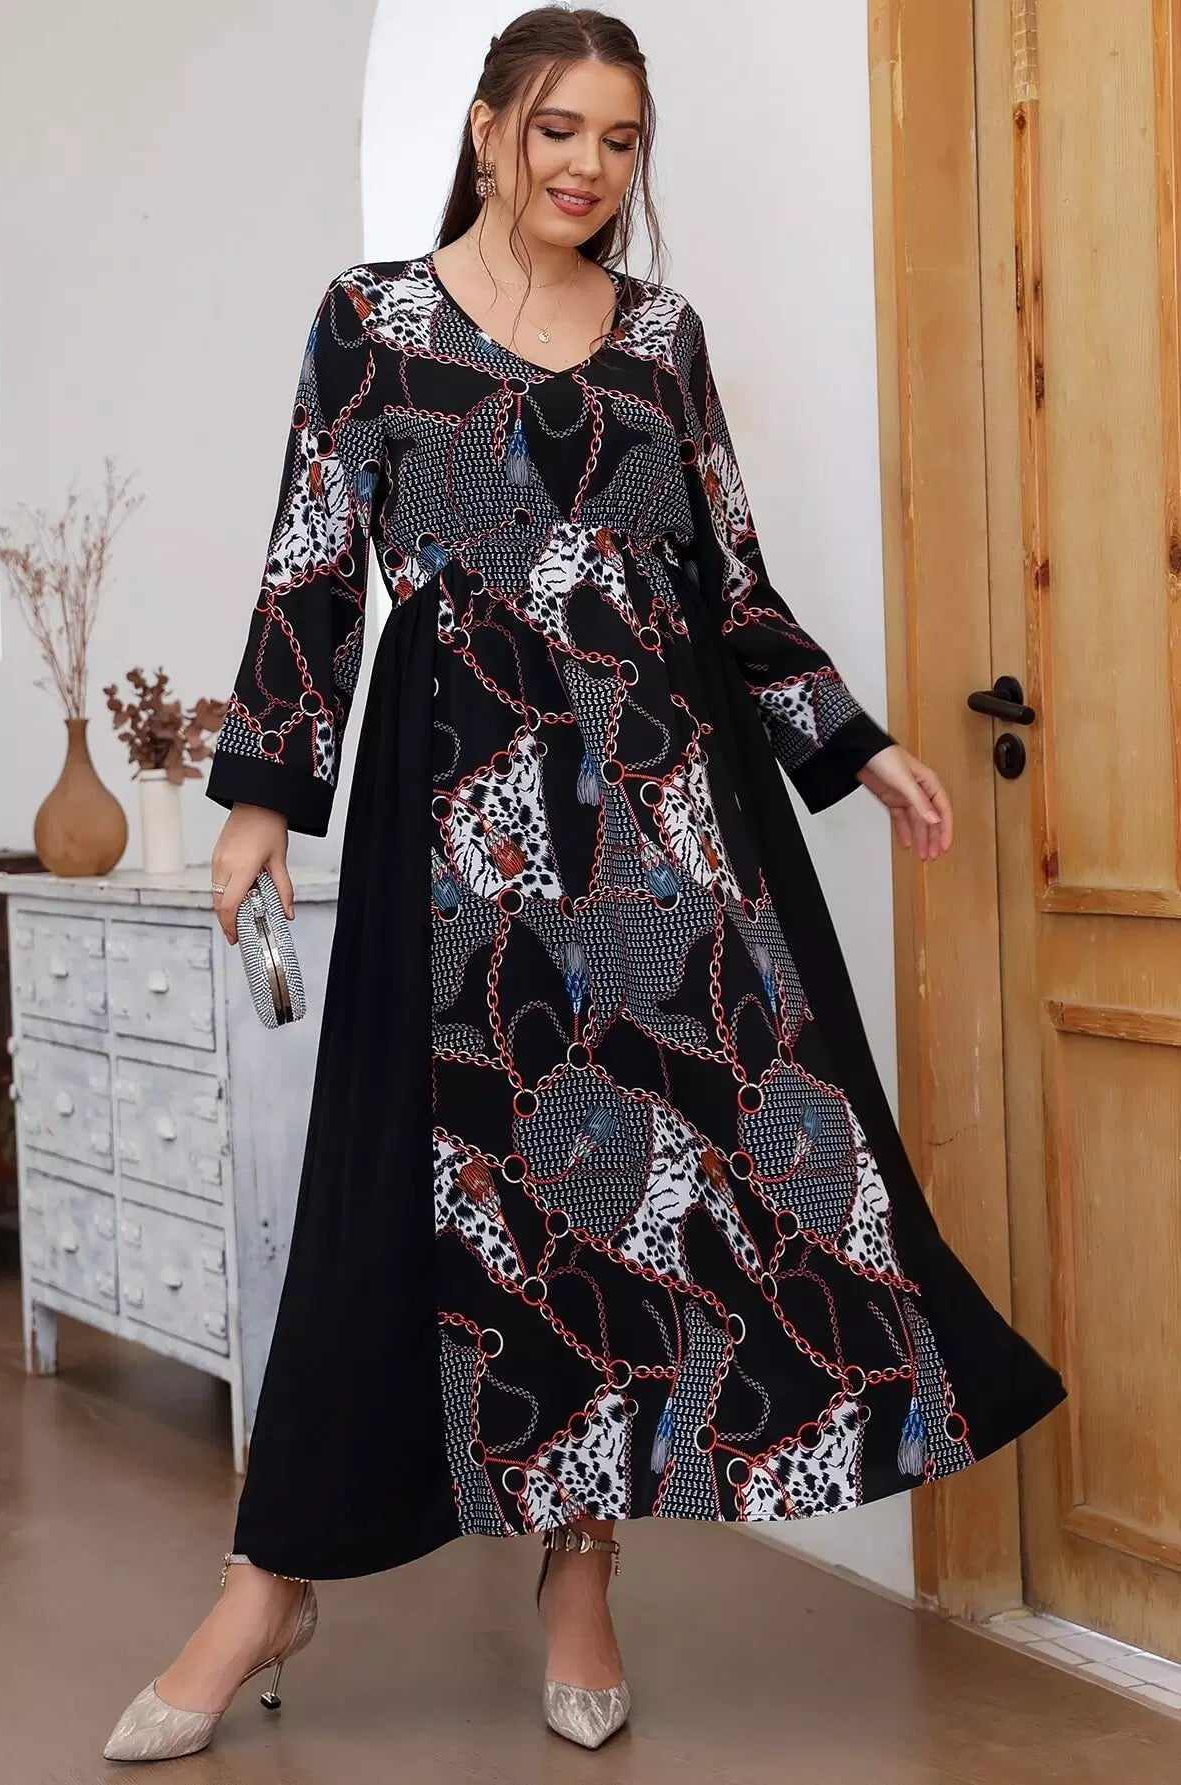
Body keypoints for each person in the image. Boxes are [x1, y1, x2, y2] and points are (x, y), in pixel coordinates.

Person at [103, 5, 1066, 1762]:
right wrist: (259, 801)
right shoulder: (371, 321)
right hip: (454, 830)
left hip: (661, 827)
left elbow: (731, 586)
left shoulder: (663, 340)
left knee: (648, 1196)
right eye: (559, 130)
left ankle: (580, 1571)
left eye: (620, 141)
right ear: (489, 128)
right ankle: (271, 1577)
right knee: (405, 1197)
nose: (589, 168)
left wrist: (851, 742)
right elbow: (313, 566)